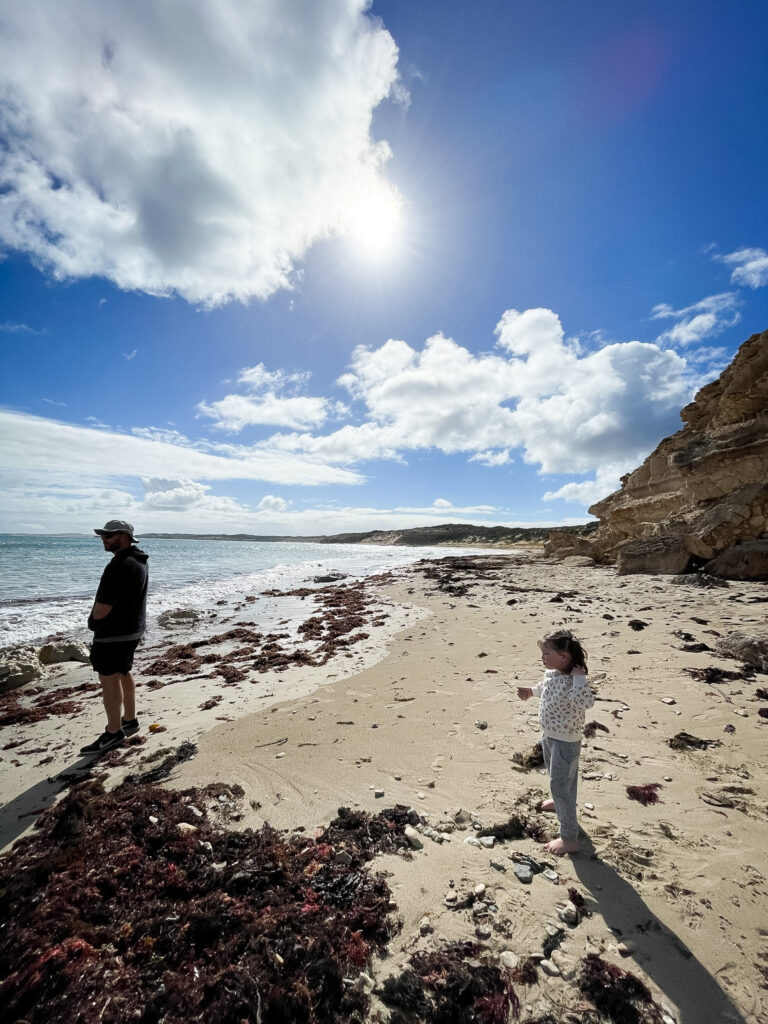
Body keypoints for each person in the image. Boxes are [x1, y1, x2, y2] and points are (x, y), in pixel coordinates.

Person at [517, 629, 594, 856]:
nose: (542, 658)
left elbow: (586, 702)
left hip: (566, 741)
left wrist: (580, 679)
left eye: (546, 653)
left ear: (564, 656)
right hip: (550, 735)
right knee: (556, 777)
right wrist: (532, 692)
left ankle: (569, 839)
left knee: (562, 784)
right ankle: (559, 802)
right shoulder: (552, 674)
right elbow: (546, 689)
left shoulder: (574, 679)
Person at [80, 520, 149, 755]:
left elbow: (103, 605)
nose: (103, 539)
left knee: (108, 678)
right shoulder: (140, 560)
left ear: (124, 536)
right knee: (123, 671)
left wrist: (93, 622)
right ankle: (129, 719)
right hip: (133, 629)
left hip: (113, 634)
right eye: (102, 535)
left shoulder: (119, 565)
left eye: (108, 535)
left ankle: (113, 732)